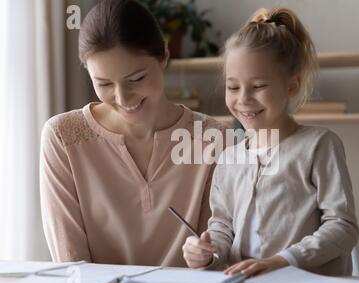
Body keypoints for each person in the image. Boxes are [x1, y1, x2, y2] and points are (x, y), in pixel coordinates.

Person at [40, 0, 225, 267]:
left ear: (164, 55)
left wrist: (207, 255)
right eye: (103, 83)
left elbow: (218, 254)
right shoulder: (62, 137)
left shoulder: (212, 137)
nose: (122, 97)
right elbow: (71, 267)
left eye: (136, 79)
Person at [182, 8, 359, 276]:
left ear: (292, 86)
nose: (243, 99)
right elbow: (222, 227)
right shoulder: (229, 158)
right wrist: (205, 254)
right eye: (233, 87)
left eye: (258, 86)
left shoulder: (319, 145)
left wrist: (282, 260)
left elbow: (343, 227)